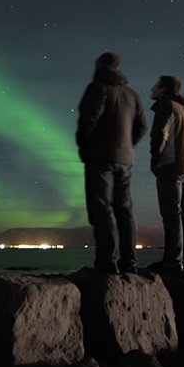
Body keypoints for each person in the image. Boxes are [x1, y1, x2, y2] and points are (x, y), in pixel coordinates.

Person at [76, 52, 148, 274]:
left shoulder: (99, 87)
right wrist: (129, 145)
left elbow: (90, 118)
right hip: (125, 158)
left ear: (99, 65)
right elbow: (142, 126)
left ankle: (108, 262)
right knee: (125, 209)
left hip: (101, 157)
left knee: (102, 207)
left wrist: (84, 145)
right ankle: (130, 262)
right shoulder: (132, 94)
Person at [150, 75, 184, 272]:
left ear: (163, 89)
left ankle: (174, 261)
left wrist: (156, 158)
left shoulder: (166, 106)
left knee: (171, 214)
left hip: (171, 165)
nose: (152, 88)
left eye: (156, 85)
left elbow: (161, 133)